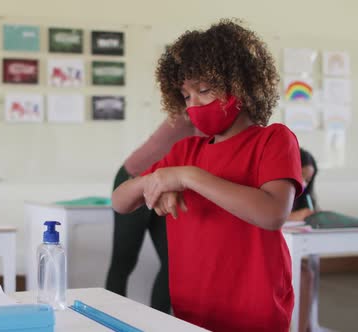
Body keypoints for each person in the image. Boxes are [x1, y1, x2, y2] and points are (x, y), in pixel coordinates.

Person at [112, 19, 303, 331]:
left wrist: (187, 177)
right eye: (186, 96)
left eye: (204, 90)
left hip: (254, 309)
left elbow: (272, 213)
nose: (194, 105)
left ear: (242, 84)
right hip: (192, 309)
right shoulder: (186, 149)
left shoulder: (274, 140)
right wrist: (156, 180)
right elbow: (120, 201)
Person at [106, 116, 197, 313]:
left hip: (165, 185)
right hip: (135, 179)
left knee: (172, 263)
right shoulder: (190, 113)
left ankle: (159, 322)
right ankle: (110, 322)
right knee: (124, 260)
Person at [291, 148, 330, 332]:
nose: (304, 183)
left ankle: (306, 326)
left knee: (308, 274)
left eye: (308, 180)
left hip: (289, 250)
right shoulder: (276, 190)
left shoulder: (304, 197)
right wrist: (296, 216)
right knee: (306, 275)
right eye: (301, 176)